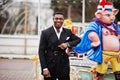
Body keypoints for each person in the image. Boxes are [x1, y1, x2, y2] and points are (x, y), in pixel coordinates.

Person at [74, 0, 120, 80]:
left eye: (113, 14)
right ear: (99, 15)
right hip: (104, 54)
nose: (112, 17)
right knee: (101, 71)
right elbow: (91, 32)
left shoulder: (115, 26)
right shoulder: (96, 25)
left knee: (118, 70)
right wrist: (96, 40)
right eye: (108, 15)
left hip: (116, 55)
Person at [38, 12, 81, 80]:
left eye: (61, 19)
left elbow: (78, 40)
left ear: (63, 20)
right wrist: (44, 68)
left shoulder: (67, 32)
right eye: (56, 18)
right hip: (50, 64)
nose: (58, 20)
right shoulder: (45, 33)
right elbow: (41, 51)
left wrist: (67, 44)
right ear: (53, 19)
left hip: (63, 64)